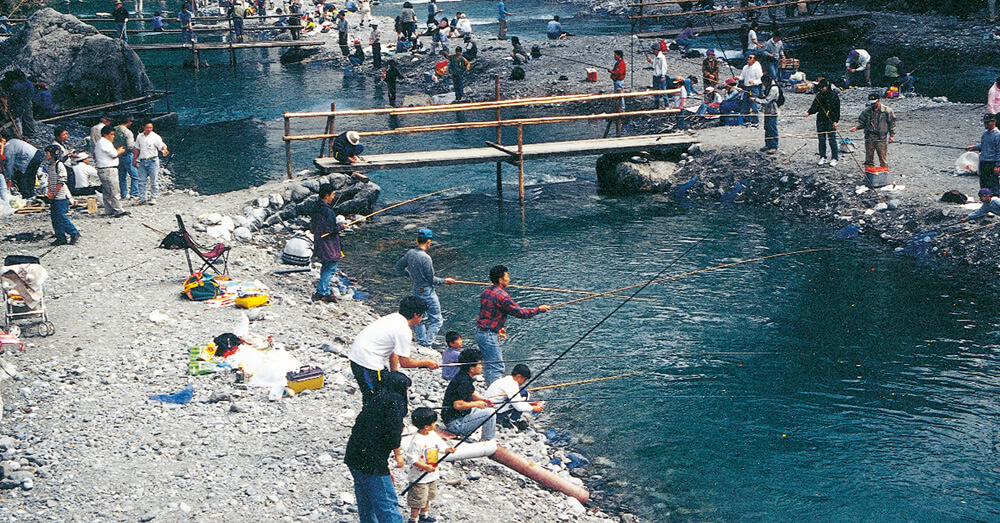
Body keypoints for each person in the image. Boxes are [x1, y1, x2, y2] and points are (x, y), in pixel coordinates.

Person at [344, 370, 410, 523]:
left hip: (354, 457)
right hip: (372, 463)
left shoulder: (375, 400)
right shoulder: (394, 402)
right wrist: (397, 455)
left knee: (366, 500)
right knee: (386, 504)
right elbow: (393, 433)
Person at [349, 296, 440, 404]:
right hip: (365, 362)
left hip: (359, 356)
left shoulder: (394, 317)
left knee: (381, 393)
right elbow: (405, 362)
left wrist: (394, 373)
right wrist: (426, 362)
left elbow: (394, 351)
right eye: (422, 314)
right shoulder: (404, 330)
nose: (423, 317)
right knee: (374, 399)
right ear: (416, 314)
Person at [476, 264, 551, 386]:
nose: (509, 279)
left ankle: (491, 390)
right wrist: (539, 309)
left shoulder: (486, 292)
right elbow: (520, 313)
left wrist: (498, 328)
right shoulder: (502, 295)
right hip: (489, 335)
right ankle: (495, 394)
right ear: (500, 280)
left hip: (480, 333)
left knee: (489, 365)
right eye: (507, 276)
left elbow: (488, 314)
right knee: (496, 367)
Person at [395, 228, 456, 348]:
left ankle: (421, 341)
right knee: (437, 320)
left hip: (416, 289)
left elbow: (398, 267)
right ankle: (427, 344)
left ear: (417, 239)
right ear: (428, 241)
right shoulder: (426, 258)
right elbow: (431, 280)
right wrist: (445, 281)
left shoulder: (410, 253)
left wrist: (410, 275)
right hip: (427, 292)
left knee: (420, 317)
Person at [403, 408, 455, 523]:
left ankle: (424, 516)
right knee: (417, 500)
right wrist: (425, 467)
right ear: (426, 426)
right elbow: (412, 459)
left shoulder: (432, 434)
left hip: (432, 476)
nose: (435, 425)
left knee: (428, 497)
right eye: (433, 423)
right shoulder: (416, 441)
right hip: (419, 477)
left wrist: (447, 449)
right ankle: (413, 519)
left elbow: (440, 446)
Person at [441, 348, 496, 441]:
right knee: (490, 413)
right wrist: (476, 404)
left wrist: (483, 400)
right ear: (472, 368)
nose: (482, 366)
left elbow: (472, 393)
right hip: (455, 424)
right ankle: (487, 440)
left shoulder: (464, 376)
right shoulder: (463, 382)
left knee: (481, 409)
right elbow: (458, 405)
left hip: (456, 417)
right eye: (480, 364)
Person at [311, 183, 346, 302]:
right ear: (326, 196)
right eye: (332, 195)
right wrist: (341, 226)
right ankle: (321, 292)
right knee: (331, 267)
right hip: (328, 244)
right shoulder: (328, 211)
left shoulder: (316, 207)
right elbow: (331, 229)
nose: (333, 197)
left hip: (319, 242)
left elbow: (315, 226)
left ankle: (326, 292)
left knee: (325, 265)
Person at [483, 364, 544, 431]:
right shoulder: (511, 385)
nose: (523, 382)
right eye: (524, 380)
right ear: (518, 376)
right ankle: (512, 420)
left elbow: (515, 399)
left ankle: (509, 419)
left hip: (489, 408)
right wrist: (533, 408)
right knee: (525, 394)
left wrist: (530, 404)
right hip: (493, 414)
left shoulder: (507, 379)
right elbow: (519, 407)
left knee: (523, 392)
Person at [43, 145, 79, 246]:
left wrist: (54, 193)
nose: (46, 155)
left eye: (47, 153)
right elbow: (50, 180)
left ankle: (73, 232)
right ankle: (60, 237)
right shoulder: (51, 165)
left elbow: (61, 181)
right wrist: (49, 192)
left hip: (61, 195)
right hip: (54, 195)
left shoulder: (59, 165)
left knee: (60, 216)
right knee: (54, 217)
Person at [850, 92, 896, 168]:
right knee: (869, 157)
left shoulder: (887, 111)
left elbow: (892, 123)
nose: (873, 105)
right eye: (871, 103)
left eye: (874, 103)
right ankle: (869, 171)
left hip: (881, 137)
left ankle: (884, 171)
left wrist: (892, 135)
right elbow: (862, 122)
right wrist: (856, 127)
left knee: (882, 156)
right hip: (869, 136)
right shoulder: (866, 111)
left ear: (879, 100)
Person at [803, 78, 841, 167]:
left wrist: (836, 121)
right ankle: (822, 156)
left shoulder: (834, 96)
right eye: (820, 87)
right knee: (821, 139)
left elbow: (837, 110)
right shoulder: (819, 95)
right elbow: (814, 106)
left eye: (822, 87)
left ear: (827, 87)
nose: (821, 89)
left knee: (832, 139)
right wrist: (809, 112)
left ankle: (835, 158)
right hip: (821, 119)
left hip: (831, 120)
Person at [93, 125, 128, 217]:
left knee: (107, 191)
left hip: (104, 169)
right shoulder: (104, 143)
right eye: (111, 134)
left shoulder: (101, 143)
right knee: (114, 190)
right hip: (108, 169)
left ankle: (109, 210)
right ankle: (118, 210)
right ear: (105, 134)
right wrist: (120, 151)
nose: (113, 136)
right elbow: (114, 154)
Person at [132, 120, 168, 205]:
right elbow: (137, 148)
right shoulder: (139, 136)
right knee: (141, 180)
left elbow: (161, 145)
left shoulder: (155, 137)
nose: (149, 129)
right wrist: (134, 159)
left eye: (151, 128)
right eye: (147, 127)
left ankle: (153, 197)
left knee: (154, 180)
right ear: (143, 127)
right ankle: (142, 198)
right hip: (142, 160)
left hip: (153, 160)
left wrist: (164, 150)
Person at [967, 113, 1000, 195]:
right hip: (983, 162)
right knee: (984, 183)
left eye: (988, 122)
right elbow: (984, 145)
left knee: (993, 184)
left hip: (992, 163)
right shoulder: (985, 134)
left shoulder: (998, 135)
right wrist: (974, 147)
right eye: (985, 122)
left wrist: (998, 165)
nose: (986, 124)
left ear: (994, 122)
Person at [113, 115, 137, 200]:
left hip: (117, 155)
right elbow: (130, 146)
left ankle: (123, 194)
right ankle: (134, 193)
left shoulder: (114, 130)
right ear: (129, 122)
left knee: (121, 176)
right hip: (127, 155)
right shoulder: (127, 132)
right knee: (134, 175)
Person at [756, 73, 779, 152]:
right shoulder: (768, 87)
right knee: (767, 127)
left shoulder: (774, 88)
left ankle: (774, 146)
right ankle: (768, 145)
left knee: (772, 128)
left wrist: (756, 100)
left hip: (772, 110)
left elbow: (767, 101)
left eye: (764, 83)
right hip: (767, 110)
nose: (764, 84)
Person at [738, 52, 763, 125]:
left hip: (754, 88)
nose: (748, 59)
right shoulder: (745, 67)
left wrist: (754, 82)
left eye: (751, 58)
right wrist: (737, 78)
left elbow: (761, 79)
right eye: (748, 57)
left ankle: (755, 121)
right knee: (745, 104)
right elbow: (742, 77)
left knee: (754, 104)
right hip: (746, 88)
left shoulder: (757, 67)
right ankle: (747, 120)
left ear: (754, 60)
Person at [648, 43, 669, 109]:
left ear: (656, 50)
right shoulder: (656, 57)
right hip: (655, 75)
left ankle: (667, 105)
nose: (652, 51)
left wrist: (663, 76)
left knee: (663, 91)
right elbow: (655, 64)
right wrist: (651, 61)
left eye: (653, 49)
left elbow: (664, 67)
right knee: (656, 90)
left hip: (660, 76)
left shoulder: (662, 57)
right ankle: (656, 105)